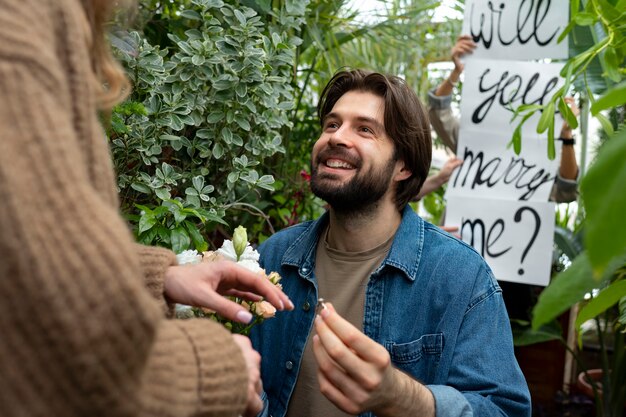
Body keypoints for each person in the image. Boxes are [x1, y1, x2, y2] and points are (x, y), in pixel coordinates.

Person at [0, 1, 293, 416]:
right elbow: (82, 357)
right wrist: (215, 365)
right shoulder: (20, 25)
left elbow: (21, 255)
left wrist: (160, 277)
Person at [250, 69, 531, 416]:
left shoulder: (460, 276)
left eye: (364, 129)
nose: (337, 137)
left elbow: (505, 409)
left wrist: (403, 397)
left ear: (404, 167)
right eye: (331, 125)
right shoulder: (273, 257)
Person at [428, 35, 579, 203]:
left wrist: (566, 132)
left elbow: (566, 190)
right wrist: (456, 72)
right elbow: (439, 113)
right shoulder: (473, 140)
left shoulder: (542, 151)